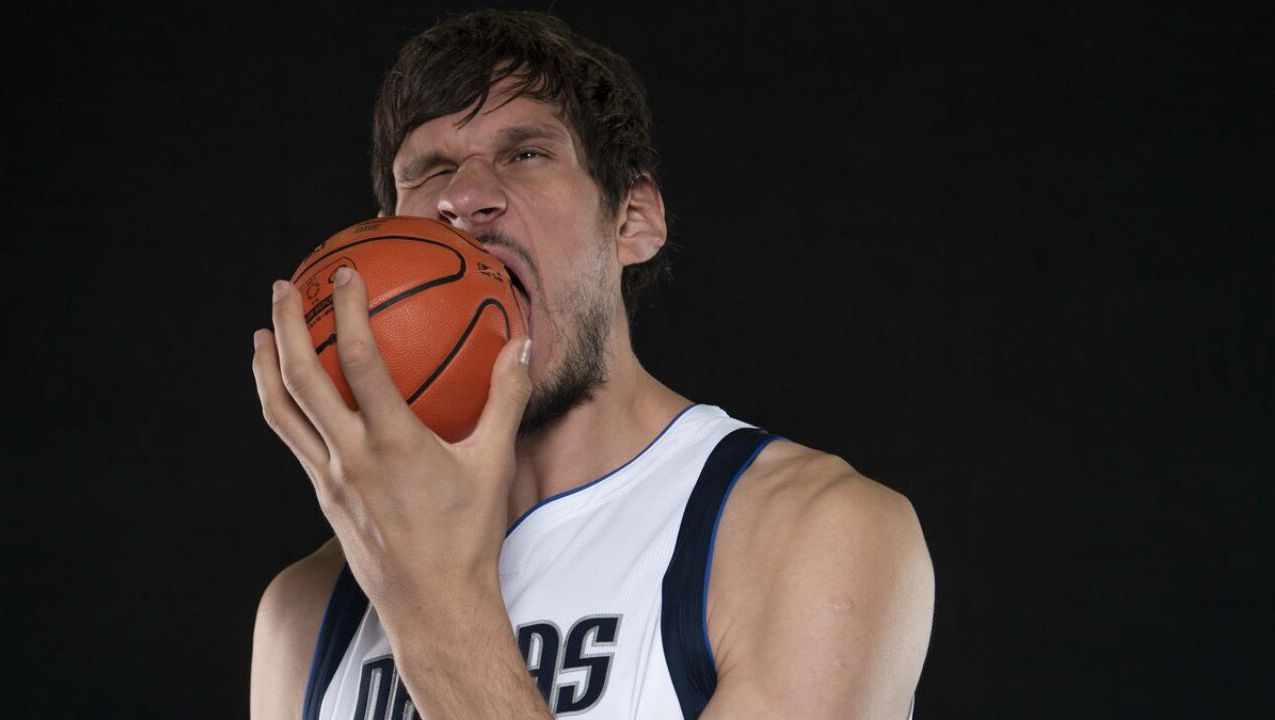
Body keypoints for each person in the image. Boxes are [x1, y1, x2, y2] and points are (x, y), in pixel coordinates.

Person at [249, 9, 934, 720]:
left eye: (524, 154)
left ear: (633, 220)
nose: (464, 197)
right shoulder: (308, 612)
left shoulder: (809, 532)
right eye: (431, 171)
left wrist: (429, 599)